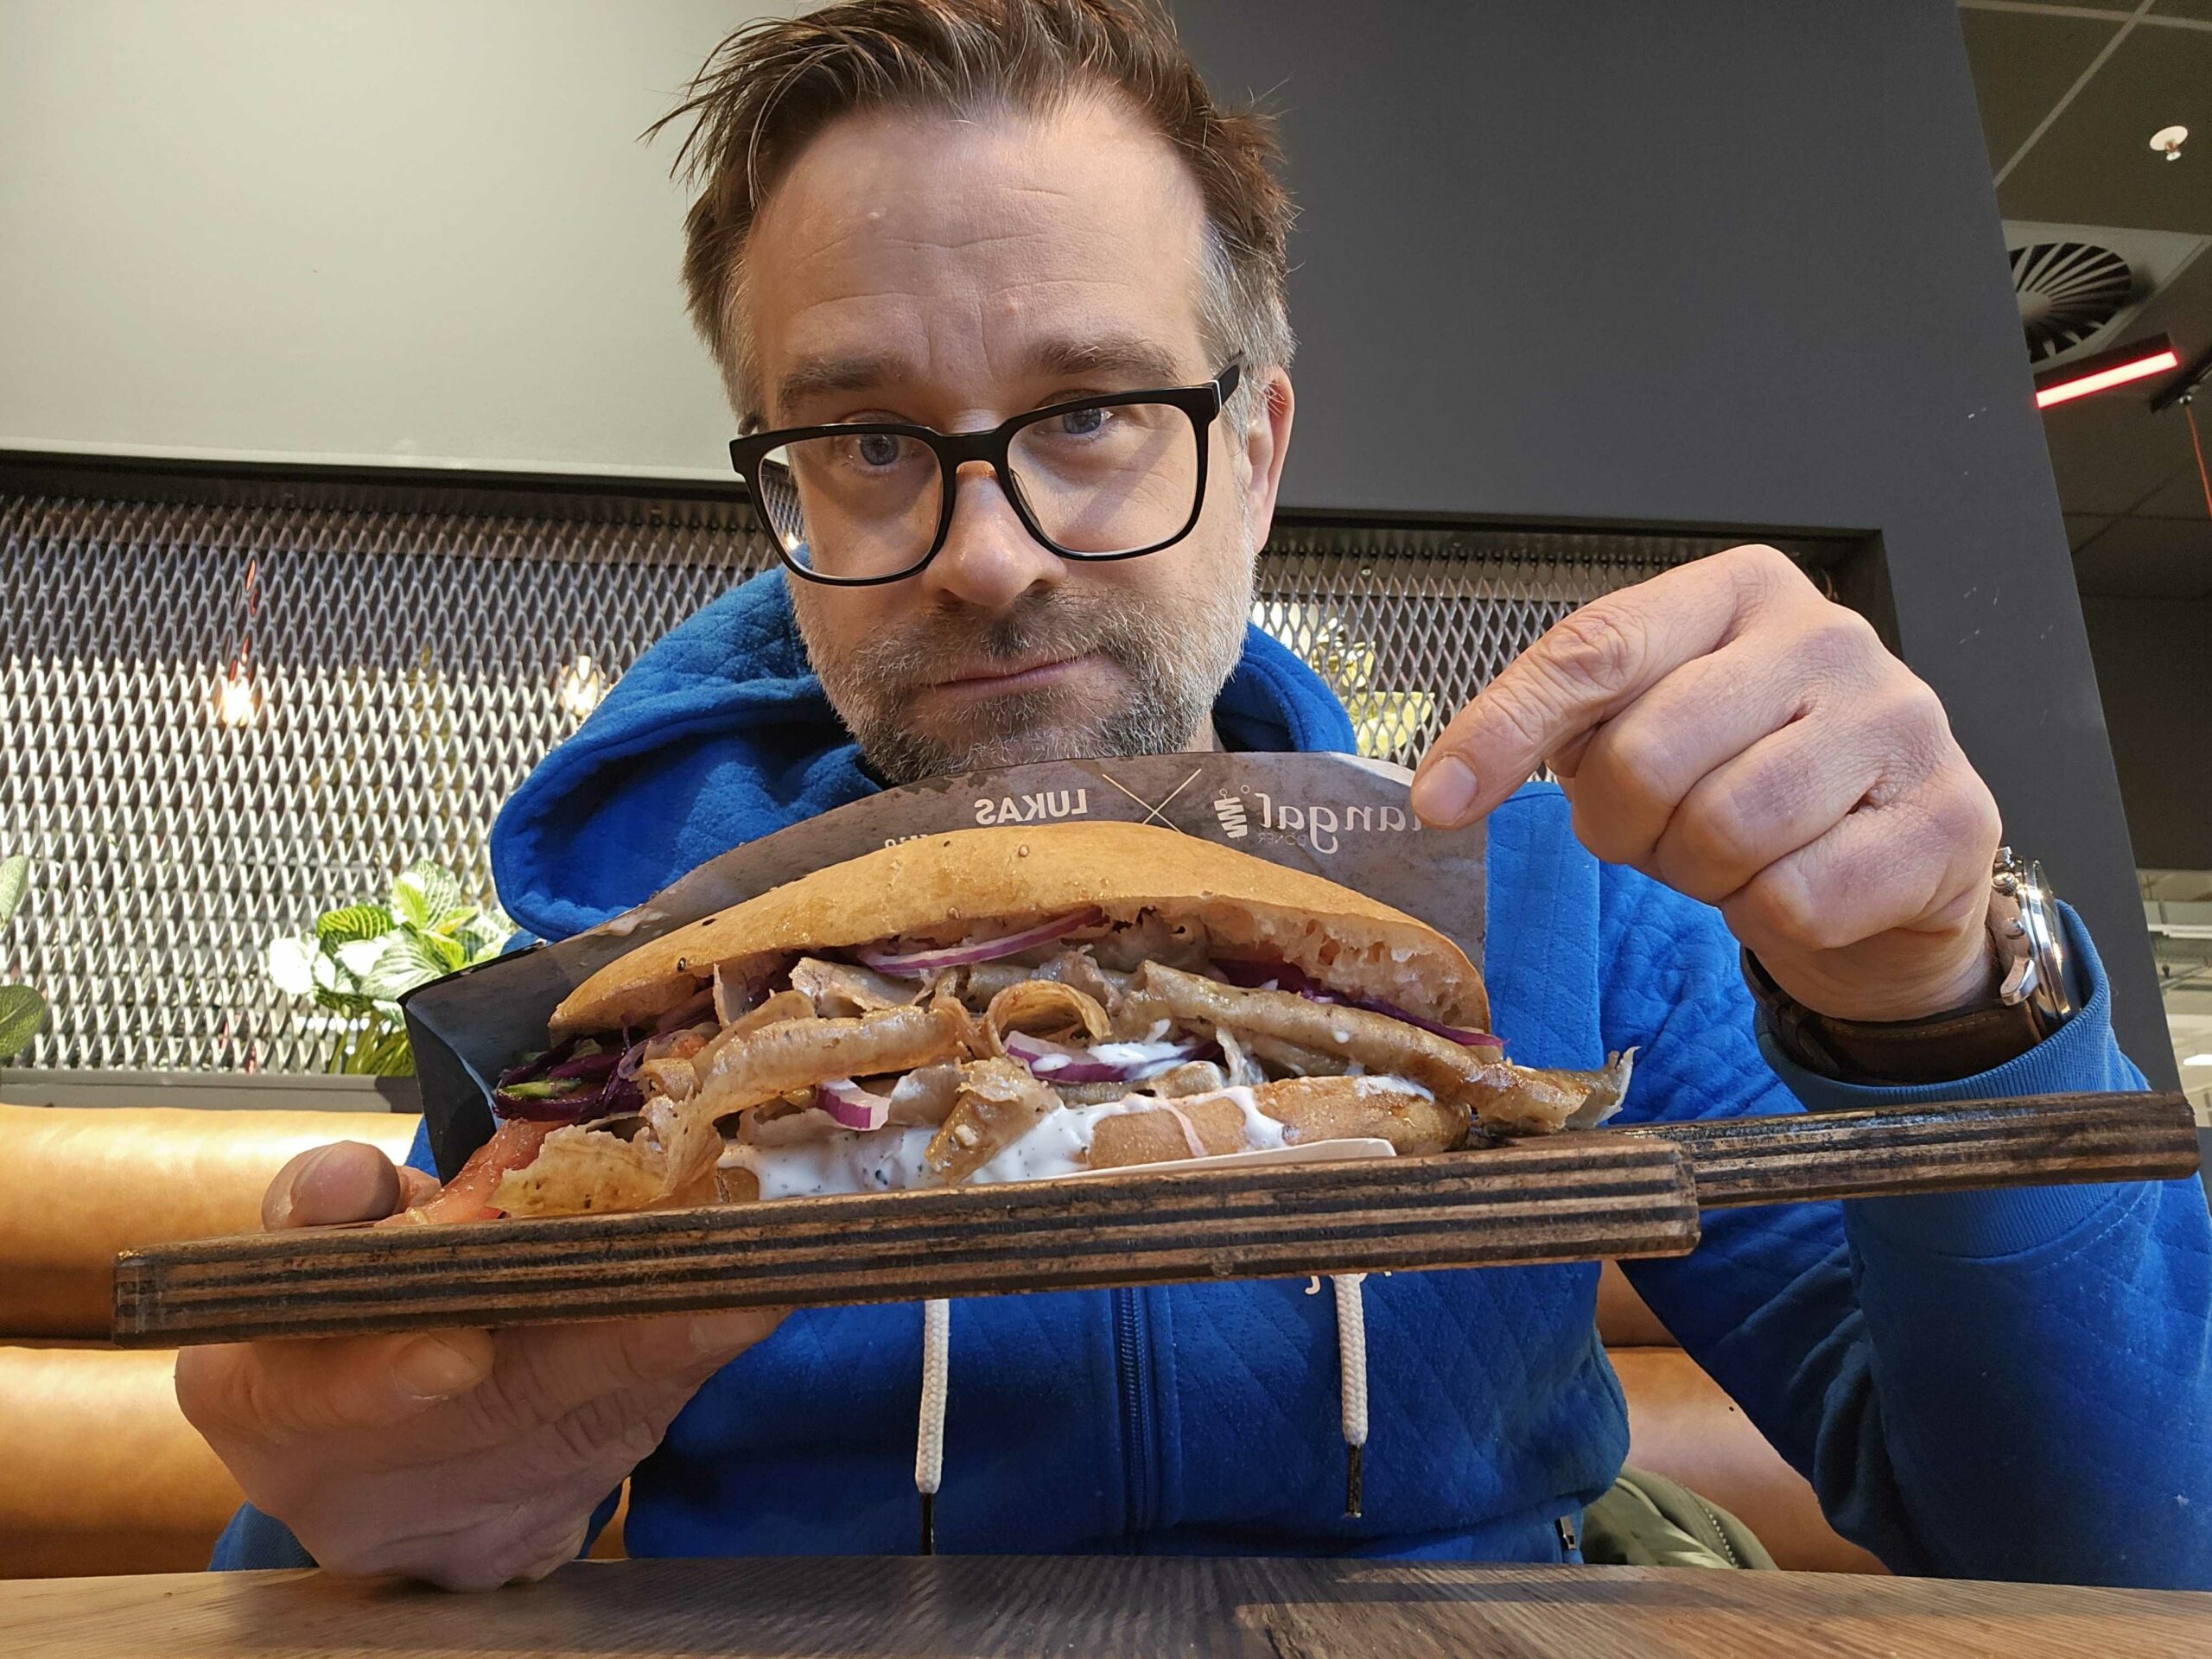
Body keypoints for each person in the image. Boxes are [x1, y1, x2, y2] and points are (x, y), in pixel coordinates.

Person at [180, 0, 2211, 1591]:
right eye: (866, 439)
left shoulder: (1558, 888)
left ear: (1253, 448)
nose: (987, 553)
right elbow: (387, 1524)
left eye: (1089, 410)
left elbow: (2118, 1551)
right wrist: (379, 1515)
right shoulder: (611, 1003)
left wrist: (1944, 1004)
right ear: (779, 490)